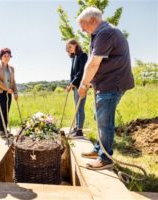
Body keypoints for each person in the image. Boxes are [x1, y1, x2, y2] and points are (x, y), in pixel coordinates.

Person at [77, 7, 134, 170]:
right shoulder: (101, 33)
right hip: (104, 84)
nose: (82, 29)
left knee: (104, 120)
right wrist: (89, 82)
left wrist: (83, 85)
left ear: (93, 20)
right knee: (99, 117)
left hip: (111, 83)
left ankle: (105, 158)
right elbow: (94, 63)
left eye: (84, 25)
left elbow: (94, 63)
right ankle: (98, 149)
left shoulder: (106, 33)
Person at [0, 48, 18, 138]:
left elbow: (13, 81)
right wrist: (7, 88)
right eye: (5, 56)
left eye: (8, 56)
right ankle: (2, 131)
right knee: (1, 111)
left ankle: (5, 129)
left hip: (9, 93)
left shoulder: (12, 68)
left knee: (6, 111)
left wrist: (15, 92)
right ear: (1, 57)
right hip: (0, 93)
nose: (7, 58)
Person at [65, 39, 88, 138]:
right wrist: (70, 84)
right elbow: (73, 74)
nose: (69, 49)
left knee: (80, 107)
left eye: (70, 47)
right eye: (67, 48)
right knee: (76, 107)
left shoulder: (83, 55)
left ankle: (79, 131)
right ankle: (76, 128)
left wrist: (73, 83)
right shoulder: (74, 58)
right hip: (75, 87)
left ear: (76, 45)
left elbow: (81, 72)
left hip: (81, 86)